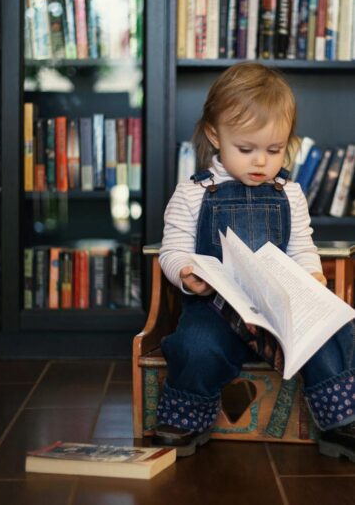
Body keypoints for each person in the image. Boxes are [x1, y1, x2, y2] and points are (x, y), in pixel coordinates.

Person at [150, 62, 355, 460]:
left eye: (274, 150)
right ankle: (186, 419)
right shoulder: (194, 193)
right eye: (246, 150)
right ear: (215, 135)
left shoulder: (288, 193)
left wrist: (312, 276)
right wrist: (186, 273)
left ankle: (340, 421)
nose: (261, 162)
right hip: (216, 308)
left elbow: (301, 246)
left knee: (332, 334)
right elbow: (171, 249)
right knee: (195, 346)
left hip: (279, 310)